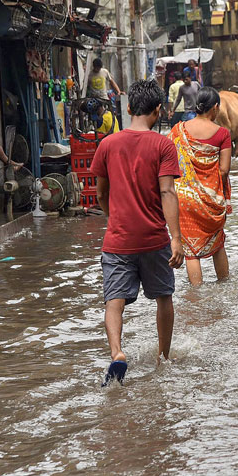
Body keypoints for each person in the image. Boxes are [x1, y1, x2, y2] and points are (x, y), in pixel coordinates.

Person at [90, 78, 184, 387]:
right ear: (158, 111)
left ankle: (117, 352)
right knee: (164, 298)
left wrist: (114, 217)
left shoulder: (107, 144)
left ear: (128, 107)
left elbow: (100, 193)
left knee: (113, 301)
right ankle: (163, 359)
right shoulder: (163, 145)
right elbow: (168, 192)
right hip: (155, 238)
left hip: (118, 239)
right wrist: (177, 238)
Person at [170, 87, 232, 286]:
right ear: (214, 108)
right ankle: (224, 285)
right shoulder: (222, 134)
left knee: (190, 252)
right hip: (211, 199)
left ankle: (196, 295)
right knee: (218, 243)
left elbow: (171, 163)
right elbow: (224, 170)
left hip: (184, 198)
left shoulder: (178, 130)